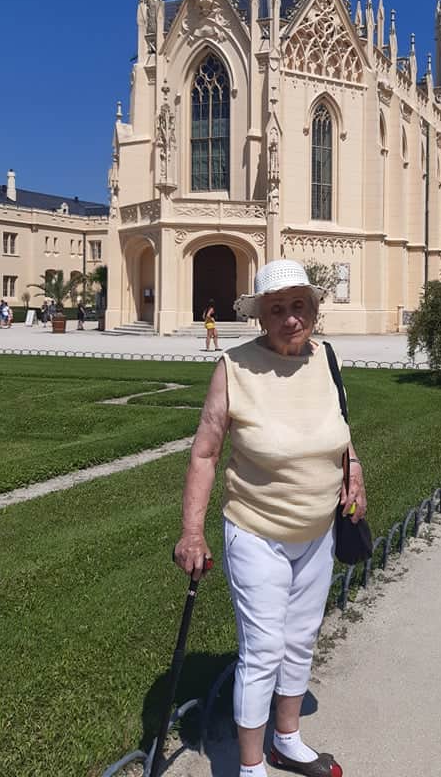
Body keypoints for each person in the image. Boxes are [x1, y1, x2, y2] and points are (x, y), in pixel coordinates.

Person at [174, 259, 367, 777]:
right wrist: (192, 532)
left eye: (298, 306)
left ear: (314, 310)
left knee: (301, 640)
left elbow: (339, 429)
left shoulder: (326, 359)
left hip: (318, 531)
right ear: (260, 316)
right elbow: (205, 453)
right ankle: (251, 765)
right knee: (262, 650)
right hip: (256, 530)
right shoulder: (234, 367)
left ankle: (287, 739)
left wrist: (354, 470)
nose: (290, 319)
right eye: (277, 309)